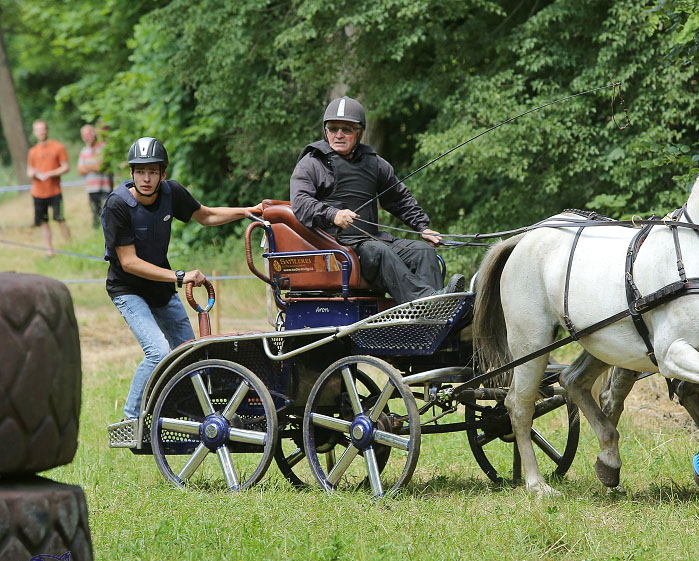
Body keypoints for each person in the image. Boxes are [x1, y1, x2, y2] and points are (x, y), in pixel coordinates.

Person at [102, 137, 263, 425]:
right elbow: (129, 263)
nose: (146, 178)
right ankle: (130, 421)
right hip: (127, 289)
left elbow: (208, 216)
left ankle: (183, 412)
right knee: (159, 352)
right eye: (140, 172)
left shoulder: (171, 192)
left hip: (160, 288)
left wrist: (250, 211)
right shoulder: (117, 205)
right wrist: (179, 276)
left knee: (190, 353)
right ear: (131, 174)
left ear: (163, 173)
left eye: (152, 171)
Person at [290, 96, 464, 303]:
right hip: (336, 248)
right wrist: (332, 214)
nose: (338, 135)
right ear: (325, 130)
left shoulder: (375, 164)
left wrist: (422, 227)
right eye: (333, 128)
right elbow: (300, 201)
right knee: (379, 250)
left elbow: (398, 197)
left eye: (347, 129)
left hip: (371, 242)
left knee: (423, 251)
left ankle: (436, 315)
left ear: (359, 132)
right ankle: (425, 302)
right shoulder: (312, 164)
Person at [27, 120, 71, 257]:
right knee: (44, 222)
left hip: (55, 192)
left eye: (43, 129)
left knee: (60, 219)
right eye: (38, 130)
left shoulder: (58, 147)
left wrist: (50, 174)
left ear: (47, 130)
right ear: (34, 132)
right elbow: (29, 170)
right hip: (38, 193)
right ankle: (49, 251)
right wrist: (32, 174)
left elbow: (66, 167)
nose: (41, 132)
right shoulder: (32, 151)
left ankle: (70, 246)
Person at [77, 124, 113, 228]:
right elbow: (79, 170)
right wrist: (93, 167)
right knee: (95, 215)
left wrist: (87, 167)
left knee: (108, 213)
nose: (86, 137)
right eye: (84, 135)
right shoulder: (84, 151)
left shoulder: (103, 147)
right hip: (91, 189)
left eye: (88, 134)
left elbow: (100, 166)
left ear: (94, 134)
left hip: (105, 187)